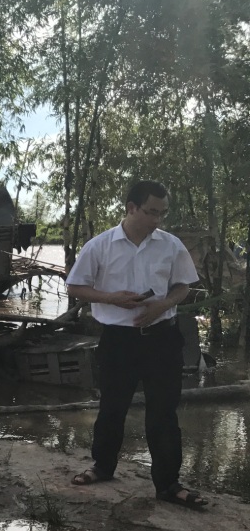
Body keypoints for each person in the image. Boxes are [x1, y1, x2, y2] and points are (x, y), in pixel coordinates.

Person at [65, 180, 205, 507]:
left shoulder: (170, 245)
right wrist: (111, 298)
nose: (157, 219)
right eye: (151, 212)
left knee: (163, 413)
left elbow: (183, 287)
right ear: (131, 208)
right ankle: (103, 466)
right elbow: (75, 287)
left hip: (162, 338)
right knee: (112, 407)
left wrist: (161, 305)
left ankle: (168, 484)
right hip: (118, 340)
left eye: (162, 213)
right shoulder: (100, 246)